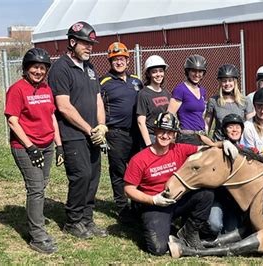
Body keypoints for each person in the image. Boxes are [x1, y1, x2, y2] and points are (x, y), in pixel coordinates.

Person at [124, 111, 238, 255]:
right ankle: (152, 224)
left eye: (170, 132)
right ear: (156, 131)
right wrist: (153, 200)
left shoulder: (179, 149)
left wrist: (223, 143)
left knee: (206, 194)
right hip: (156, 205)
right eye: (162, 131)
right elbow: (128, 190)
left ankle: (189, 232)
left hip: (178, 199)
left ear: (175, 135)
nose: (165, 136)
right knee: (158, 249)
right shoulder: (140, 159)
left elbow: (207, 149)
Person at [48, 21, 108, 239]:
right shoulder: (60, 68)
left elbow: (97, 99)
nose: (90, 48)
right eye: (85, 43)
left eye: (91, 44)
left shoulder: (90, 68)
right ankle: (73, 221)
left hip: (93, 133)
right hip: (73, 134)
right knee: (80, 176)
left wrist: (101, 126)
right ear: (72, 42)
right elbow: (63, 106)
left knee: (93, 176)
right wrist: (89, 129)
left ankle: (87, 219)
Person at [4, 48, 62, 254]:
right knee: (36, 188)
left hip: (47, 146)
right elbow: (12, 121)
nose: (38, 71)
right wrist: (30, 147)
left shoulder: (46, 89)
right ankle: (37, 236)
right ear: (26, 68)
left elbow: (52, 117)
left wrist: (59, 145)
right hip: (25, 147)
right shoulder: (17, 89)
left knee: (41, 184)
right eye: (35, 67)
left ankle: (36, 225)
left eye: (42, 68)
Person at [100, 41, 143, 222]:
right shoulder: (104, 82)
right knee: (118, 171)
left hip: (136, 133)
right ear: (110, 61)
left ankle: (137, 203)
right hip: (116, 133)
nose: (119, 62)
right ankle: (122, 207)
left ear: (128, 60)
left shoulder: (136, 81)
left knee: (137, 170)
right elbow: (97, 107)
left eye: (122, 59)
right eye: (115, 59)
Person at [204, 64, 253, 140]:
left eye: (230, 80)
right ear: (220, 82)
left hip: (239, 143)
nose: (227, 84)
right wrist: (205, 140)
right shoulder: (213, 101)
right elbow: (206, 125)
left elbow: (251, 125)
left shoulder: (245, 100)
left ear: (235, 82)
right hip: (219, 143)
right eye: (224, 81)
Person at [168, 54, 207, 142]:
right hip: (186, 136)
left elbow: (200, 115)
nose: (197, 74)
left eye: (200, 71)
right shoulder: (180, 89)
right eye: (194, 71)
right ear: (187, 71)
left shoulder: (202, 91)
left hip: (201, 136)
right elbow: (169, 115)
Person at [137, 55, 171, 147]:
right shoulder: (143, 94)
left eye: (161, 71)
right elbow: (141, 122)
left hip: (165, 136)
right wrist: (148, 144)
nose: (158, 74)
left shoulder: (166, 93)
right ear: (148, 74)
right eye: (154, 72)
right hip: (152, 137)